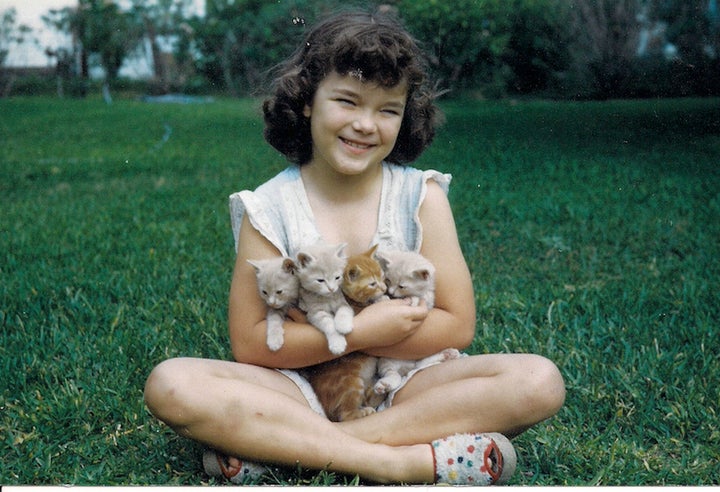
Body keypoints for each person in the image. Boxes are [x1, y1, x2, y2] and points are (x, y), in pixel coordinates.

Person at [143, 9, 565, 485]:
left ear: (405, 116)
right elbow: (250, 342)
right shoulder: (269, 206)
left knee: (539, 380)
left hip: (405, 381)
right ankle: (399, 462)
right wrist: (362, 330)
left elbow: (457, 323)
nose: (366, 124)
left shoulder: (420, 196)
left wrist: (371, 339)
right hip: (296, 388)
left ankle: (287, 449)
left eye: (388, 109)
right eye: (348, 100)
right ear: (307, 102)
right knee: (171, 384)